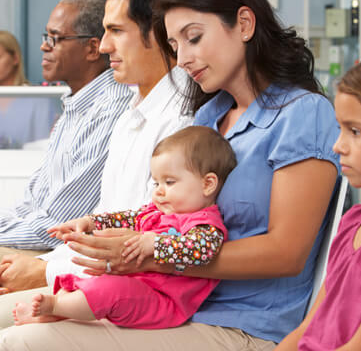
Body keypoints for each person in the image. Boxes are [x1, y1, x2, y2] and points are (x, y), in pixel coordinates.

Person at [0, 0, 340, 350]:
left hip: (241, 324)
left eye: (193, 38)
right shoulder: (209, 117)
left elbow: (286, 253)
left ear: (244, 24)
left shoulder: (303, 114)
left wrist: (150, 254)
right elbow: (164, 212)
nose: (181, 60)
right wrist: (103, 228)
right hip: (169, 302)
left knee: (20, 342)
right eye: (175, 46)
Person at [0, 0, 192, 326]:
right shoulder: (132, 114)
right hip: (87, 273)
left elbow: (132, 244)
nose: (104, 46)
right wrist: (48, 267)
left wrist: (44, 269)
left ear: (161, 33)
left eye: (116, 32)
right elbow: (101, 222)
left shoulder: (182, 122)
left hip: (126, 290)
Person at [13, 126, 235, 329]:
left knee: (109, 290)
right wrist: (90, 222)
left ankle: (55, 308)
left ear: (207, 184)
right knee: (93, 281)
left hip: (162, 301)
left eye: (169, 182)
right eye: (156, 183)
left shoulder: (205, 224)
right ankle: (59, 310)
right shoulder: (158, 212)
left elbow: (202, 251)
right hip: (137, 284)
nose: (158, 191)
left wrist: (155, 244)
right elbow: (127, 218)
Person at [0, 0, 133, 276]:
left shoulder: (111, 109)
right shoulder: (74, 105)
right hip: (32, 242)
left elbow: (59, 225)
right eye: (45, 36)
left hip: (51, 252)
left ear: (93, 48)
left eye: (55, 38)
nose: (43, 46)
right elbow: (33, 199)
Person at [276, 52, 361, 351]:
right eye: (340, 128)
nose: (338, 145)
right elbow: (308, 328)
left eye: (355, 131)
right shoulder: (354, 220)